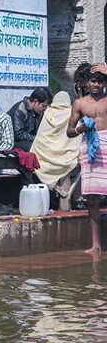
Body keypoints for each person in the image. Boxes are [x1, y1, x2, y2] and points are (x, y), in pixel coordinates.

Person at [67, 71, 107, 253]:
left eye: (100, 81)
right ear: (87, 83)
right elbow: (69, 131)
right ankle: (96, 244)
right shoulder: (79, 103)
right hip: (90, 146)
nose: (97, 84)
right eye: (93, 80)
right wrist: (80, 128)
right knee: (92, 198)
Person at [32, 91, 82, 189]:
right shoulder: (73, 113)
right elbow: (77, 136)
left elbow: (42, 135)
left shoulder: (48, 113)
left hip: (45, 155)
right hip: (67, 157)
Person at [7, 87, 52, 151]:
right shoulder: (20, 109)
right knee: (35, 147)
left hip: (29, 140)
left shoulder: (38, 111)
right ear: (35, 102)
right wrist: (37, 138)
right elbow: (19, 134)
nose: (45, 109)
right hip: (15, 142)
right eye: (43, 106)